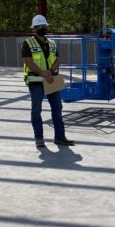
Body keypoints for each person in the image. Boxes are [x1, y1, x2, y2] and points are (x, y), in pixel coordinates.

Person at [22, 14, 74, 148]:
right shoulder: (28, 43)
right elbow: (28, 61)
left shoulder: (51, 43)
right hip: (36, 81)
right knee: (36, 109)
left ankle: (60, 137)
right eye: (39, 26)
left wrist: (50, 72)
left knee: (57, 108)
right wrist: (43, 73)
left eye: (44, 26)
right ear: (34, 29)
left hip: (52, 80)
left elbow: (57, 59)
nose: (42, 28)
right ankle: (39, 138)